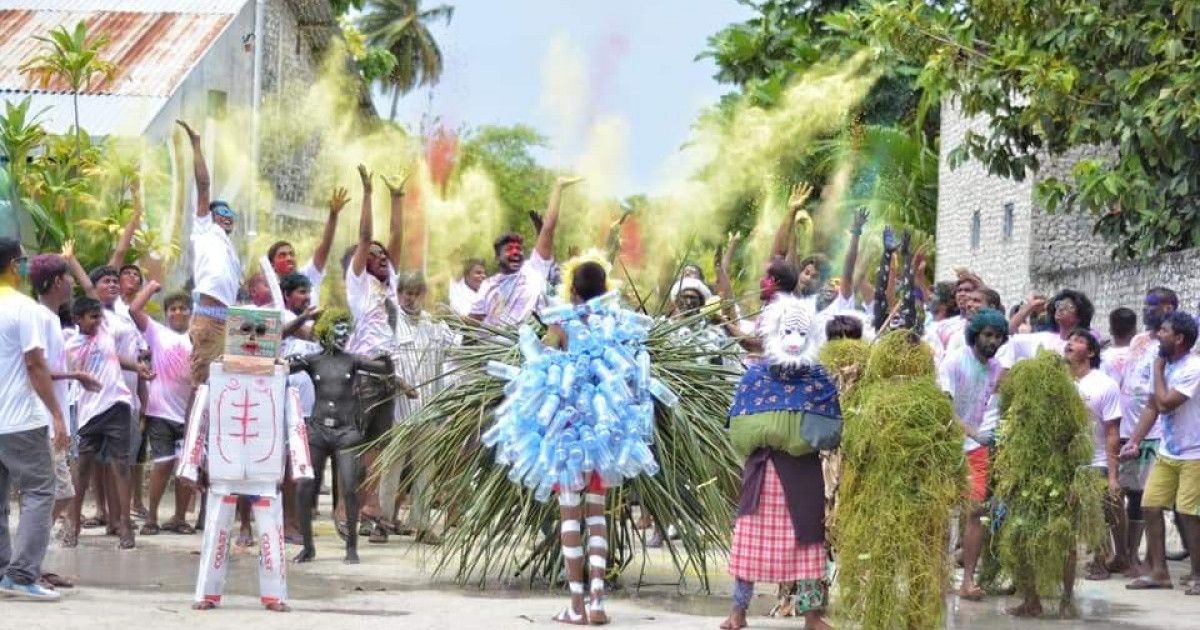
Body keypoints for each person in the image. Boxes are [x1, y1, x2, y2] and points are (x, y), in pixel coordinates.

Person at [723, 296, 836, 630]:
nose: (794, 340)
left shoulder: (819, 380)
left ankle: (813, 616)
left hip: (803, 472)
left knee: (810, 540)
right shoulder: (755, 377)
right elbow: (741, 429)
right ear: (774, 332)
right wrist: (781, 433)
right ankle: (737, 612)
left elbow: (828, 429)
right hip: (763, 470)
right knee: (748, 539)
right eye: (788, 331)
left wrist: (789, 435)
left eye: (802, 334)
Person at [290, 309, 411, 564]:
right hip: (318, 429)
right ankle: (308, 546)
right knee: (304, 486)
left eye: (346, 330)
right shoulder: (312, 360)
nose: (342, 336)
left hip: (346, 431)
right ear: (324, 333)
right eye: (337, 330)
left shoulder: (353, 360)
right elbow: (283, 368)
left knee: (350, 485)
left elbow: (383, 369)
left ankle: (351, 547)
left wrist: (387, 356)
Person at [0, 237, 70, 601]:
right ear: (14, 266)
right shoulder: (23, 308)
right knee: (41, 490)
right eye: (23, 262)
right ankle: (23, 573)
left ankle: (2, 571)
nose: (27, 267)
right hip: (20, 419)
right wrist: (57, 414)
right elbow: (34, 363)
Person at [27, 253, 101, 575]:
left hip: (48, 418)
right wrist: (75, 379)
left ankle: (31, 562)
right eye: (68, 277)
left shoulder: (52, 319)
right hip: (42, 419)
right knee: (54, 493)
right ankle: (27, 563)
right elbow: (34, 368)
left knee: (55, 493)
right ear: (58, 281)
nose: (71, 283)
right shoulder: (41, 318)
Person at [343, 164, 405, 541]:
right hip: (364, 373)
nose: (382, 255)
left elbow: (396, 236)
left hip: (388, 372)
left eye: (385, 255)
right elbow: (366, 236)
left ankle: (372, 512)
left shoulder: (390, 283)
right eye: (375, 253)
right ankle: (351, 508)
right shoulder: (359, 284)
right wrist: (368, 193)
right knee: (361, 445)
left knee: (381, 446)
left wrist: (397, 199)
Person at [64, 296, 150, 550]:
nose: (98, 321)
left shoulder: (105, 330)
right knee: (81, 470)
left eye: (99, 316)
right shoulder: (70, 345)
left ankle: (125, 525)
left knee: (121, 465)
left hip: (117, 405)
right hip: (88, 413)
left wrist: (136, 367)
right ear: (78, 320)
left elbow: (114, 357)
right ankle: (73, 525)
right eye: (92, 317)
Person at [1123, 311, 1200, 593]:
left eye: (1164, 331)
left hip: (1195, 454)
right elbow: (1153, 406)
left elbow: (1166, 403)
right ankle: (1159, 572)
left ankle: (1198, 573)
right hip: (1169, 451)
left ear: (1179, 339)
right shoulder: (1168, 365)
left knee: (1189, 512)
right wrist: (1135, 440)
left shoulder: (1194, 368)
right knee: (1151, 505)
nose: (1158, 335)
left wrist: (1157, 368)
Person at [937, 308, 1008, 601]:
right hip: (947, 445)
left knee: (975, 511)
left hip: (976, 448)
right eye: (988, 335)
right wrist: (970, 431)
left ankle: (967, 580)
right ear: (975, 335)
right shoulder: (954, 363)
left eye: (998, 337)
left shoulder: (996, 368)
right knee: (941, 513)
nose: (993, 342)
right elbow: (944, 410)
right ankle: (939, 577)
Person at [381, 273, 455, 544]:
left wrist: (465, 324)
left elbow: (457, 350)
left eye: (415, 293)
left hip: (429, 411)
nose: (409, 298)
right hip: (400, 412)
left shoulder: (435, 325)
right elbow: (382, 361)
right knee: (392, 468)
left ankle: (421, 524)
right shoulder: (390, 322)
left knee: (425, 469)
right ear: (398, 293)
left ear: (423, 294)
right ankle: (384, 520)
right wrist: (400, 383)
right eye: (405, 293)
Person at [178, 120, 242, 389]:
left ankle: (210, 430)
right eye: (222, 212)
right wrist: (196, 145)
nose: (227, 217)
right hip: (208, 317)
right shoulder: (205, 230)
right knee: (200, 381)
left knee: (220, 384)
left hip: (226, 320)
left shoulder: (231, 252)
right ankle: (193, 431)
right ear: (211, 215)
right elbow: (204, 185)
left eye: (231, 214)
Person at [128, 281, 195, 535]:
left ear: (191, 312)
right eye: (173, 309)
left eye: (183, 308)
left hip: (188, 414)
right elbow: (134, 310)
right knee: (163, 464)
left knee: (185, 467)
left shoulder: (197, 338)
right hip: (161, 412)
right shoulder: (156, 332)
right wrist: (153, 287)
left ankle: (179, 517)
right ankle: (152, 518)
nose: (178, 313)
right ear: (166, 314)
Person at [1119, 288, 1178, 574]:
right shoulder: (1140, 340)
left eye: (1152, 305)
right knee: (1131, 492)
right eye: (1144, 304)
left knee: (1150, 498)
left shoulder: (1172, 345)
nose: (1146, 310)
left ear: (1169, 308)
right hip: (1129, 428)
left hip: (1155, 431)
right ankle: (1130, 556)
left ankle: (1154, 561)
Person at [470, 176, 581, 326]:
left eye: (518, 249)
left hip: (531, 345)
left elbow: (548, 227)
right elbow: (471, 322)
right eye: (509, 249)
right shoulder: (488, 285)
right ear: (497, 257)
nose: (516, 252)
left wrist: (558, 188)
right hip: (499, 346)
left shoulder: (534, 268)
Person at [1063, 330, 1127, 581]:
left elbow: (1113, 432)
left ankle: (1100, 561)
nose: (1070, 343)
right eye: (1069, 340)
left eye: (1078, 341)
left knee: (1097, 513)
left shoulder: (1104, 384)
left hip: (1096, 460)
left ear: (1090, 352)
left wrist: (1113, 476)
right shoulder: (1060, 382)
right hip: (1069, 462)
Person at [264, 186, 346, 309]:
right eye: (282, 255)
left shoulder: (308, 275)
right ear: (272, 265)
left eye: (291, 254)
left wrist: (333, 215)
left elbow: (325, 245)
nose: (289, 258)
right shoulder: (270, 290)